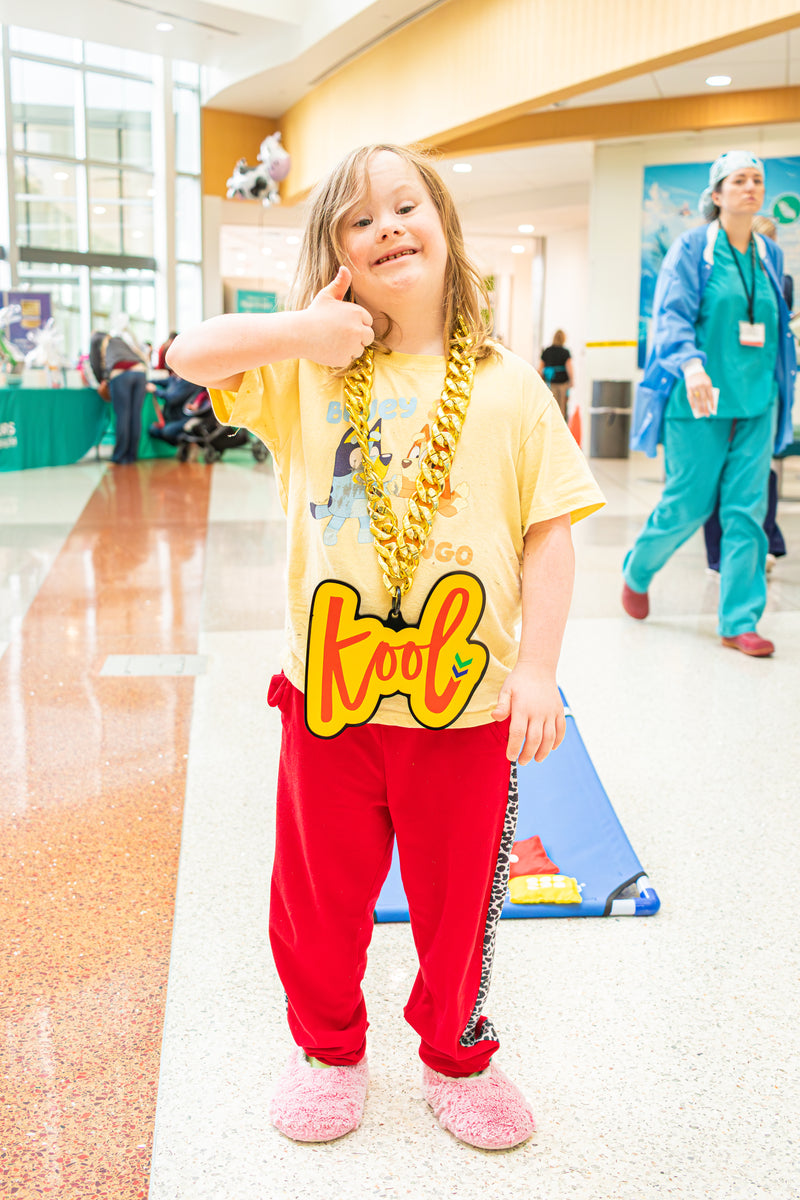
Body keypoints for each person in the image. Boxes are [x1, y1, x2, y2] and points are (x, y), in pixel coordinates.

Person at [167, 143, 604, 1150]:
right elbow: (188, 354)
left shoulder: (502, 384)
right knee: (317, 900)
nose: (387, 228)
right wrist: (303, 329)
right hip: (329, 703)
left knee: (459, 910)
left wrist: (536, 669)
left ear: (446, 230)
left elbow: (549, 534)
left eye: (405, 206)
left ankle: (456, 1054)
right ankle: (325, 1048)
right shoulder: (306, 374)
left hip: (464, 709)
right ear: (335, 256)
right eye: (358, 221)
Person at [625, 151, 797, 657]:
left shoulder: (769, 254)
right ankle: (637, 571)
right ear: (716, 195)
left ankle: (739, 621)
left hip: (757, 399)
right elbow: (672, 315)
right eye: (739, 180)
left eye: (757, 180)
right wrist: (693, 365)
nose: (751, 187)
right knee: (689, 505)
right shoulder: (692, 249)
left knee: (748, 511)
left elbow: (774, 322)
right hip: (699, 397)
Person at [104, 315, 150, 465]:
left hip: (120, 375)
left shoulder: (108, 341)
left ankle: (120, 456)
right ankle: (132, 454)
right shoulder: (130, 339)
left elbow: (101, 364)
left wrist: (104, 379)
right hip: (140, 372)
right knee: (135, 415)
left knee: (123, 415)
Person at [538, 330, 573, 419]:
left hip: (549, 383)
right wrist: (572, 381)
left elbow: (540, 368)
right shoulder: (565, 352)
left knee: (550, 407)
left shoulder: (547, 351)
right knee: (561, 408)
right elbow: (569, 368)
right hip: (562, 384)